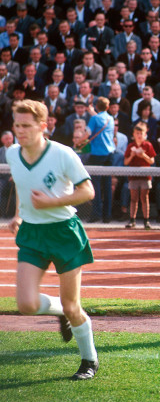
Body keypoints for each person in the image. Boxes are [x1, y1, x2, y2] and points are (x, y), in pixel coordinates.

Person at [6, 100, 98, 380]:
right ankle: (61, 313)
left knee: (73, 306)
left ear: (43, 127)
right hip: (33, 233)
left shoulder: (63, 154)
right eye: (16, 125)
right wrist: (20, 214)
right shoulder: (11, 153)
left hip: (64, 232)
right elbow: (23, 184)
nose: (19, 131)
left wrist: (52, 202)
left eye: (26, 125)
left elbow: (88, 192)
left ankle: (89, 360)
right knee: (26, 304)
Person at [85, 97, 115, 223]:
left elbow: (87, 133)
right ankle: (107, 216)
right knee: (107, 185)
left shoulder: (94, 118)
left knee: (95, 185)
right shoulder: (111, 118)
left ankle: (96, 214)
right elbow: (100, 120)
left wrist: (80, 141)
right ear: (108, 107)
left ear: (97, 106)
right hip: (110, 154)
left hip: (97, 154)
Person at [124, 122, 156, 230]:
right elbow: (126, 162)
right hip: (133, 176)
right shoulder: (130, 146)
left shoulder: (148, 145)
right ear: (133, 134)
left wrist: (143, 155)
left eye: (141, 133)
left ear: (144, 134)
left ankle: (146, 221)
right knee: (133, 198)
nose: (139, 135)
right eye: (137, 133)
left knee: (144, 198)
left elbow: (151, 161)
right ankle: (132, 220)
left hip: (145, 175)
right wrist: (132, 155)